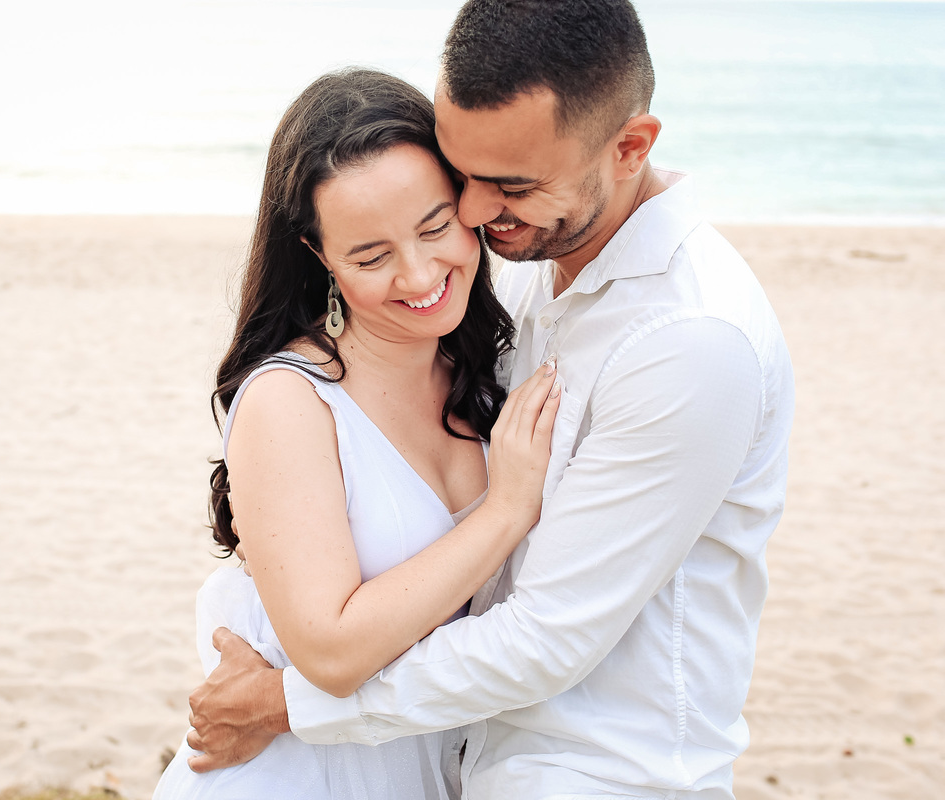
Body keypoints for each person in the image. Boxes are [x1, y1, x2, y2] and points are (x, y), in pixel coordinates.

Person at [185, 1, 796, 798]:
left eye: (509, 184)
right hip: (470, 762)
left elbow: (547, 637)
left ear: (630, 147)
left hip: (603, 775)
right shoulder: (535, 265)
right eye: (461, 175)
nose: (474, 213)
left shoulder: (687, 341)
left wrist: (286, 703)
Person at [153, 67, 563, 799]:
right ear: (319, 258)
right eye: (371, 257)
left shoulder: (491, 362)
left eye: (435, 227)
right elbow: (333, 654)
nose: (418, 275)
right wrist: (507, 511)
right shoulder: (290, 400)